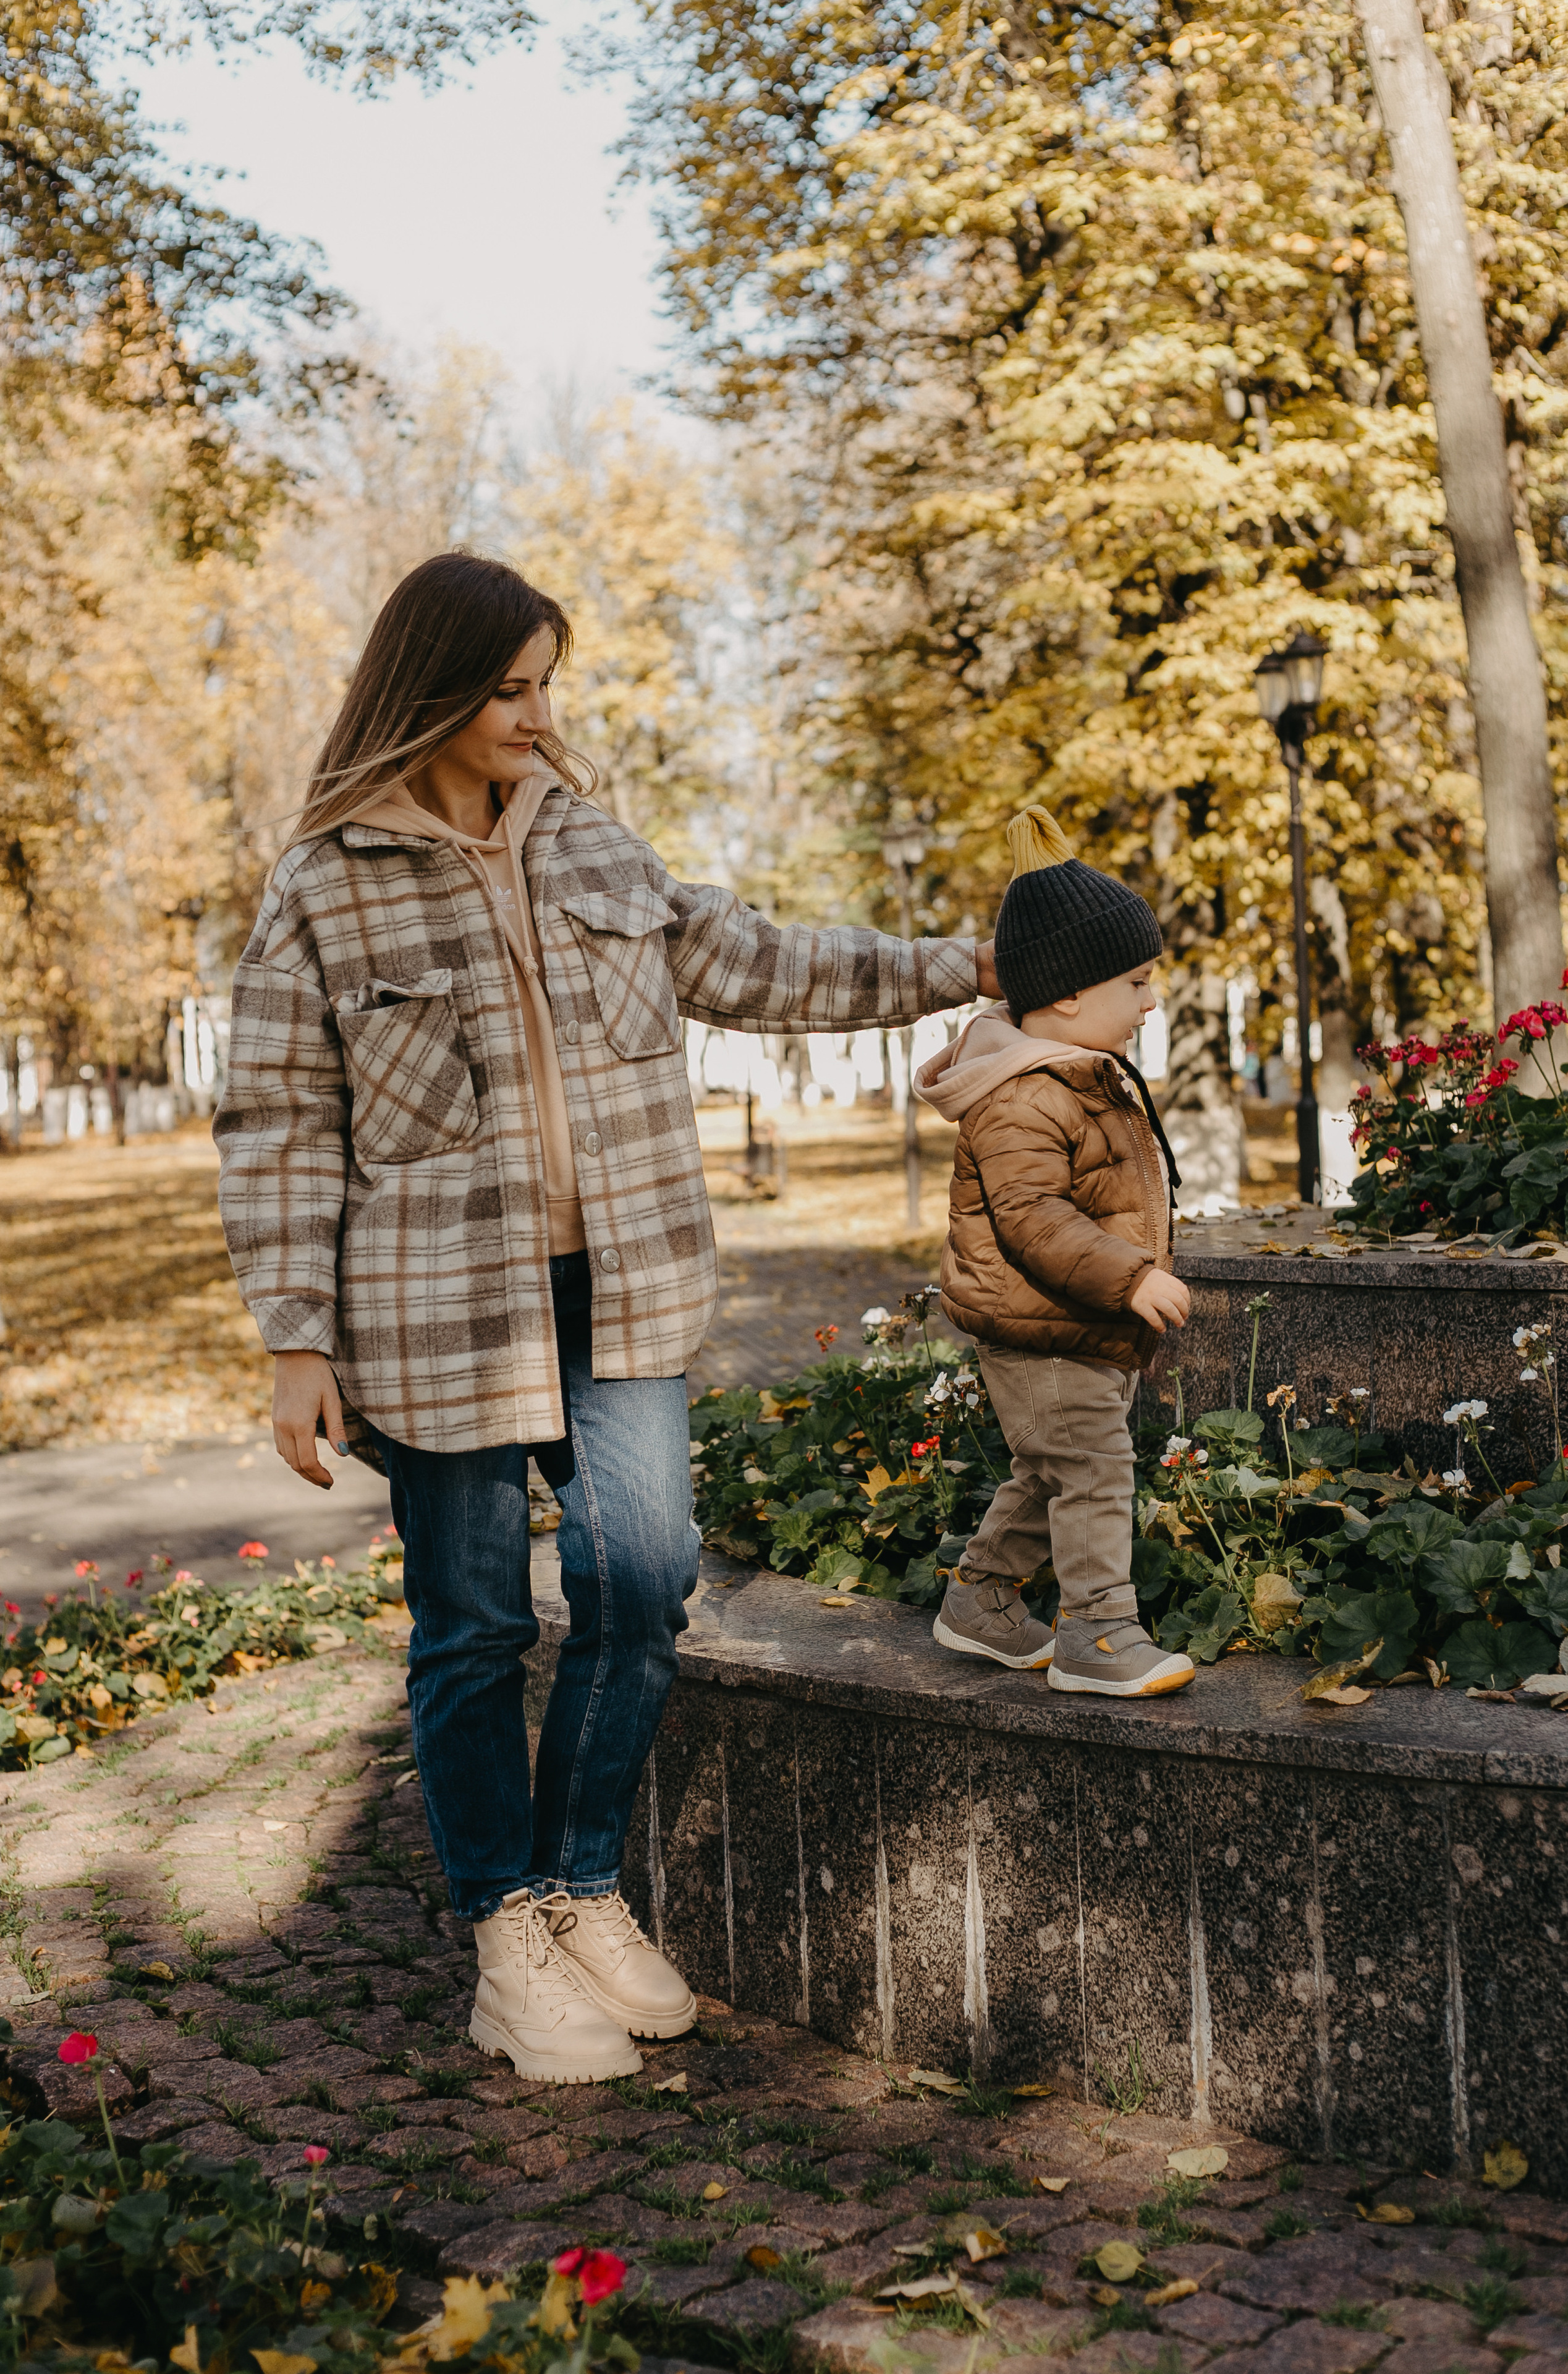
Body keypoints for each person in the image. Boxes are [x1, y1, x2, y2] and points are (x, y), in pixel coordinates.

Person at [214, 550, 999, 2083]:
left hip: (621, 1291)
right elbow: (278, 1120)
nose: (534, 714)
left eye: (542, 683)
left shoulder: (590, 845)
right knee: (474, 1626)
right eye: (506, 688)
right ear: (427, 691)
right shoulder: (323, 884)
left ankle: (581, 1889)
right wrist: (294, 1337)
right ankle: (506, 1932)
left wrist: (953, 969)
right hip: (434, 1311)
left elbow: (757, 958)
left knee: (641, 1585)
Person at [914, 804, 1195, 1697]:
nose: (1152, 1003)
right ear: (1070, 993)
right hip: (1039, 1327)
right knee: (1095, 1464)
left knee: (1054, 1466)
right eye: (1138, 984)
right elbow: (1035, 1220)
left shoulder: (1074, 1073)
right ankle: (1099, 1634)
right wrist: (1133, 1276)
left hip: (1072, 1323)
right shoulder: (1023, 1096)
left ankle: (981, 1600)